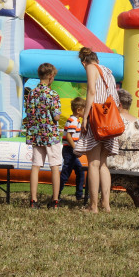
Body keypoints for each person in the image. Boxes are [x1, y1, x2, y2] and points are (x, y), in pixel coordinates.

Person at [72, 47, 120, 213]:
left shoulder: (90, 68)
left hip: (96, 118)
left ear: (84, 62)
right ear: (97, 59)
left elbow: (92, 92)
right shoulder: (108, 71)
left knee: (93, 163)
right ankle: (105, 204)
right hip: (109, 119)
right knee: (103, 164)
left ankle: (93, 206)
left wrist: (85, 117)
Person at [24, 63, 63, 208]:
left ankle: (33, 200)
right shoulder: (52, 94)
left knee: (35, 166)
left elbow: (28, 113)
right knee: (54, 166)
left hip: (36, 133)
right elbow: (57, 116)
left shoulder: (31, 94)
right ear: (51, 77)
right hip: (50, 134)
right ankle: (55, 200)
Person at [106, 89, 139, 208]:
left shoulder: (115, 119)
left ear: (119, 104)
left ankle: (100, 199)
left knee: (98, 165)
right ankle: (137, 202)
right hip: (135, 165)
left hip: (115, 163)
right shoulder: (138, 122)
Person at [59, 97, 87, 203]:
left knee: (80, 171)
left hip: (71, 151)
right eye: (85, 110)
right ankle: (57, 193)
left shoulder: (76, 120)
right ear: (79, 110)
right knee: (66, 173)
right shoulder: (73, 121)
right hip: (69, 151)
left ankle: (79, 194)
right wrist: (76, 149)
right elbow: (69, 137)